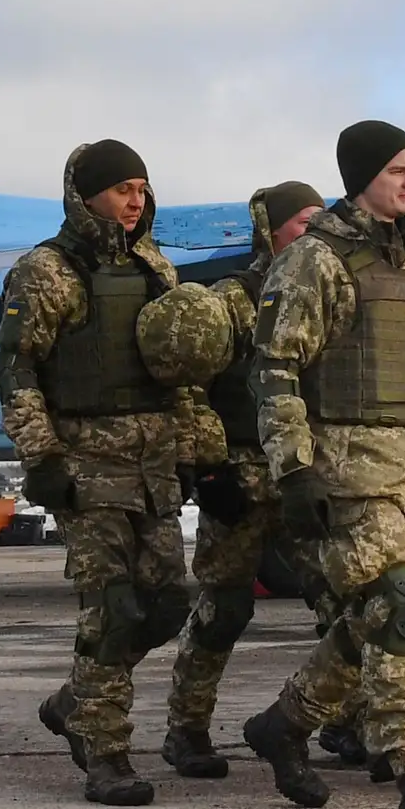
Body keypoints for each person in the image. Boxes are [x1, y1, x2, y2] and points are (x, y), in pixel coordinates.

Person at [239, 121, 405, 809]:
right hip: (349, 472)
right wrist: (293, 470)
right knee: (403, 603)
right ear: (361, 177)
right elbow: (276, 368)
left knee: (374, 615)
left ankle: (285, 723)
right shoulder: (316, 261)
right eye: (397, 172)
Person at [0, 142, 197, 808]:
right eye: (121, 189)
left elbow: (177, 373)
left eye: (142, 187)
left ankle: (74, 700)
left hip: (154, 465)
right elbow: (17, 370)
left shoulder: (155, 267)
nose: (135, 201)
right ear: (85, 197)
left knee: (169, 602)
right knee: (111, 611)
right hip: (87, 465)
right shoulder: (46, 272)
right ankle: (107, 753)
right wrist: (42, 456)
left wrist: (192, 450)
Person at [154, 180, 323, 777]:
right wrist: (207, 467)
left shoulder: (325, 293)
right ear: (268, 230)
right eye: (303, 221)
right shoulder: (231, 301)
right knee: (224, 608)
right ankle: (187, 727)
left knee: (343, 600)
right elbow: (189, 387)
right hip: (243, 470)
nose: (315, 231)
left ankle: (343, 721)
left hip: (305, 471)